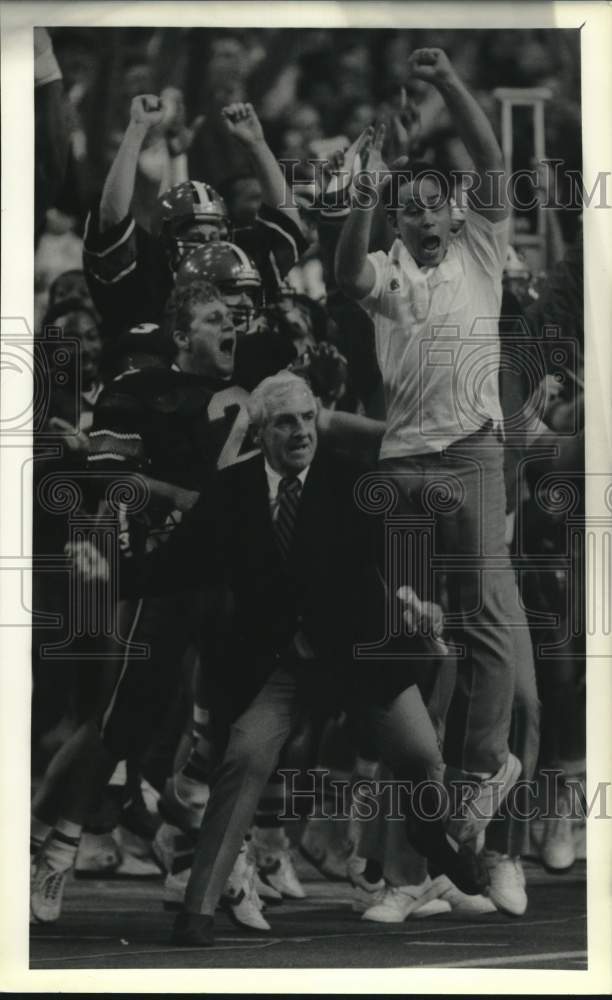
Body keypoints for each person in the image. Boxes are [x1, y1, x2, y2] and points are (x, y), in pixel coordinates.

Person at [101, 371, 490, 946]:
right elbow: (173, 569)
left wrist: (413, 599)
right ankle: (198, 909)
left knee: (419, 754)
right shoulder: (231, 492)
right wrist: (111, 570)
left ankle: (431, 842)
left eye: (308, 418)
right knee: (244, 759)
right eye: (286, 421)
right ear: (261, 431)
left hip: (357, 656)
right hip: (278, 667)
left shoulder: (349, 481)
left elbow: (396, 554)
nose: (301, 431)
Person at [335, 48, 530, 846]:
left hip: (470, 456)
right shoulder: (383, 269)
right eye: (405, 207)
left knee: (482, 615)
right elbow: (348, 272)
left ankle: (487, 768)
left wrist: (449, 80)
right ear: (396, 219)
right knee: (414, 625)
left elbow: (492, 159)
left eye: (430, 204)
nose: (419, 216)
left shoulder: (482, 248)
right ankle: (427, 798)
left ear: (455, 213)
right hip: (402, 461)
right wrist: (357, 201)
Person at [82, 96, 307, 339]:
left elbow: (289, 226)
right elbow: (111, 219)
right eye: (196, 237)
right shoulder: (148, 269)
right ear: (164, 240)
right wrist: (137, 128)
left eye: (216, 236)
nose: (209, 247)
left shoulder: (238, 264)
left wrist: (257, 144)